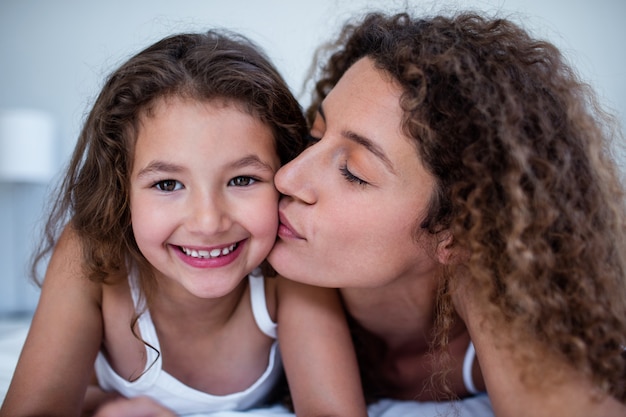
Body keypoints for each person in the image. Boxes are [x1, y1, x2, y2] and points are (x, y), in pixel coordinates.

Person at [268, 10, 626, 417]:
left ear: (455, 231)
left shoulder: (502, 305)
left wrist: (474, 288)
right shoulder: (262, 272)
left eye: (353, 173)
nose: (286, 176)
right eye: (314, 135)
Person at [0, 30, 367, 417]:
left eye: (242, 180)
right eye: (168, 184)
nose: (208, 222)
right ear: (121, 192)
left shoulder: (288, 265)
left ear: (284, 176)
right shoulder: (92, 250)